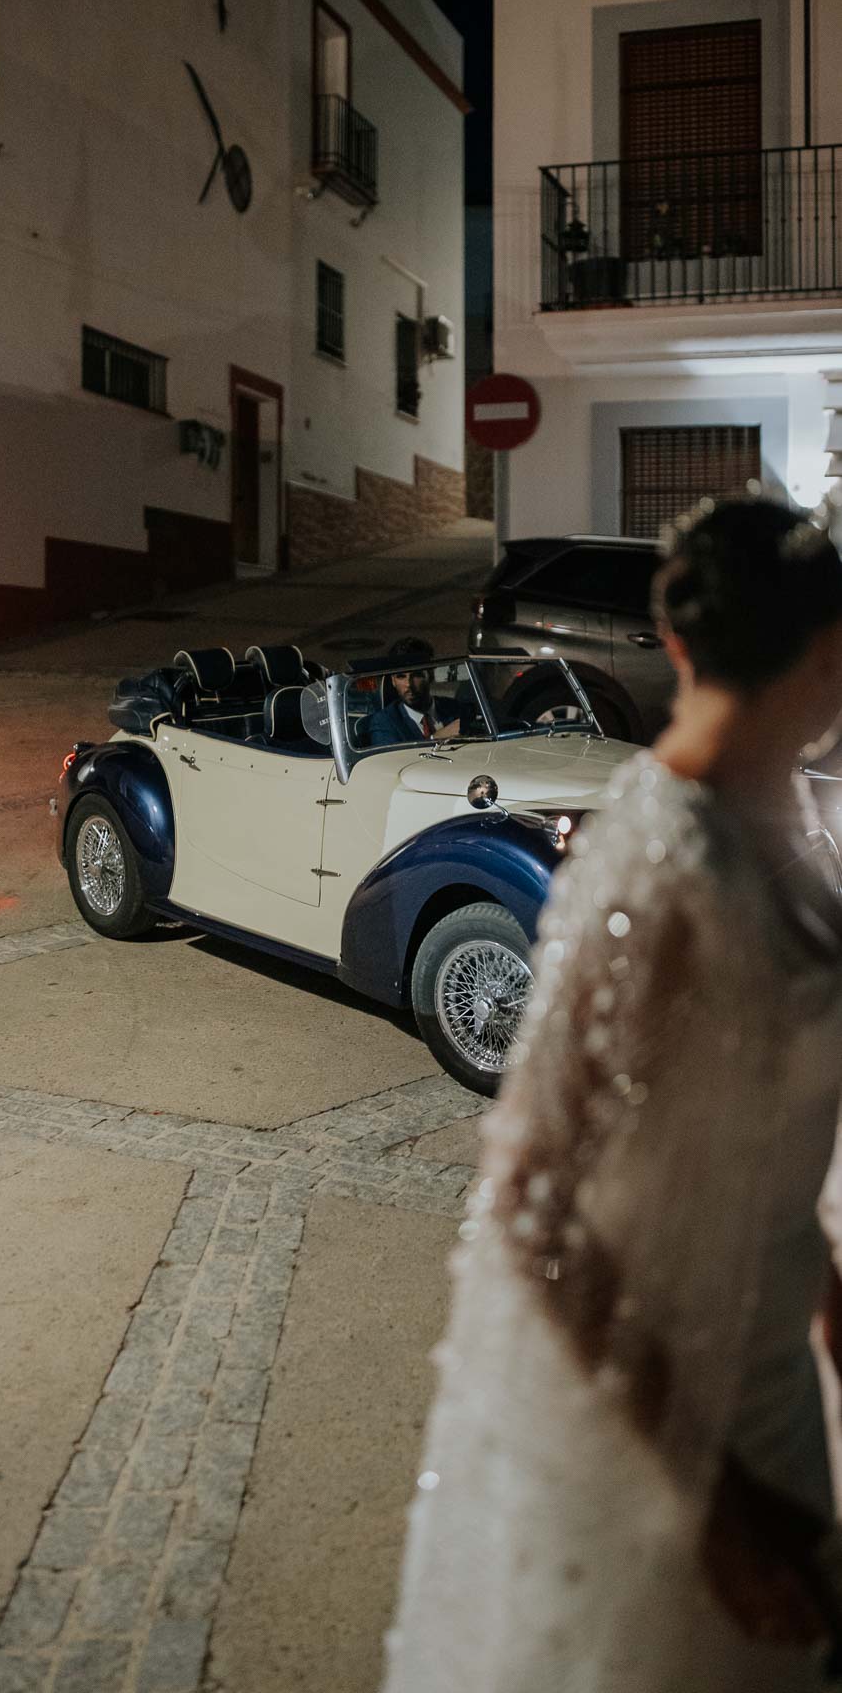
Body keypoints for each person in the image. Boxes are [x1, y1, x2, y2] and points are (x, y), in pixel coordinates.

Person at [383, 498, 842, 1693]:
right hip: (666, 1439)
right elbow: (532, 1200)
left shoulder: (782, 808)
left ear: (677, 648)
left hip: (780, 1390)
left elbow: (761, 1134)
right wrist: (710, 1508)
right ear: (826, 645)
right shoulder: (655, 863)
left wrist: (825, 1290)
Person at [365, 638, 473, 747]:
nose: (408, 684)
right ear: (393, 681)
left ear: (430, 674)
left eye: (416, 675)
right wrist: (435, 739)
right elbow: (391, 761)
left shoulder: (455, 708)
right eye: (401, 676)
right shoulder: (384, 722)